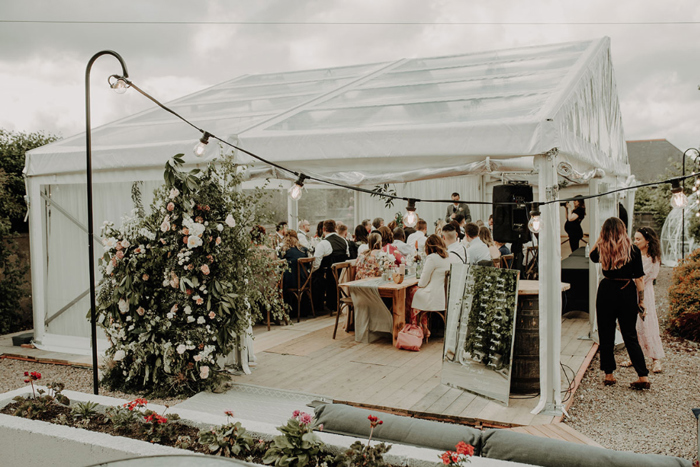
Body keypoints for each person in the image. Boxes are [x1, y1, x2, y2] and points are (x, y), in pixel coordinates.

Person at [589, 217, 650, 389]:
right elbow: (639, 278)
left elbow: (591, 255)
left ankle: (609, 374)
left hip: (606, 290)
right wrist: (642, 300)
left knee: (606, 333)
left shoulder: (602, 248)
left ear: (605, 232)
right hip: (626, 290)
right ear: (623, 230)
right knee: (630, 334)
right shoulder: (634, 250)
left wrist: (601, 237)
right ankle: (643, 376)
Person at [621, 227, 664, 373]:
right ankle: (634, 356)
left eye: (638, 239)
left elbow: (646, 277)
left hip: (645, 292)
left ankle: (656, 359)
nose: (635, 241)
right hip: (631, 291)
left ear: (647, 241)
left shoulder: (652, 259)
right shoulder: (634, 254)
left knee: (648, 323)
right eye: (635, 238)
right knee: (633, 325)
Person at [411, 235, 451, 337]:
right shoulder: (448, 257)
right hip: (445, 296)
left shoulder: (432, 258)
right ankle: (423, 326)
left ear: (429, 247)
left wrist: (419, 282)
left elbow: (423, 282)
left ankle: (416, 326)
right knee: (418, 294)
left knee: (411, 292)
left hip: (433, 297)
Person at [312, 220, 350, 313]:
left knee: (314, 277)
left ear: (323, 229)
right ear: (335, 228)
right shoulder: (344, 241)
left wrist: (311, 271)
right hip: (342, 275)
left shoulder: (323, 243)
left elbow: (316, 263)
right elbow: (347, 256)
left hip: (329, 277)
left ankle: (317, 307)